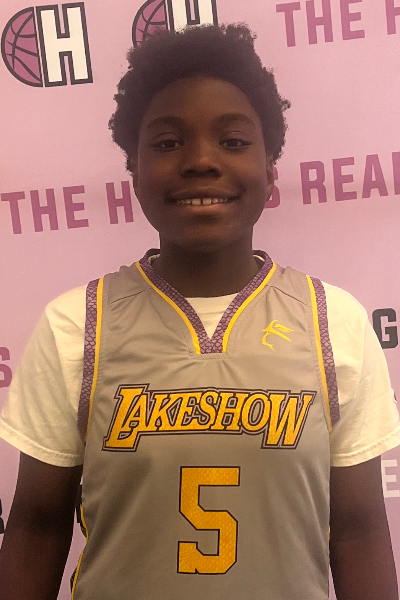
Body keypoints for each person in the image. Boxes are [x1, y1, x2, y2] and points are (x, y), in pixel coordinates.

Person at [0, 24, 399, 600]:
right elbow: (37, 528)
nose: (201, 161)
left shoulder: (334, 322)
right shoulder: (76, 325)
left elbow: (359, 532)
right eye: (168, 143)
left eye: (233, 141)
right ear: (134, 172)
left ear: (271, 168)